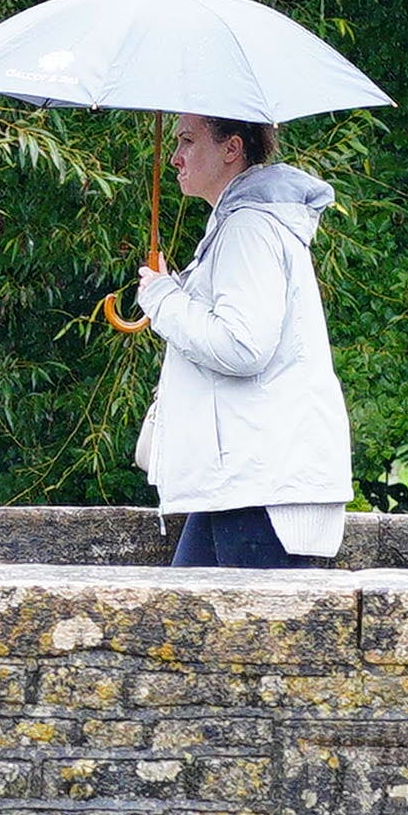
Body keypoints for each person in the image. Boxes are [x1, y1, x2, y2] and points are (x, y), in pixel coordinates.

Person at [132, 113, 349, 568]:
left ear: (231, 149)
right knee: (187, 625)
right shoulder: (238, 225)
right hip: (242, 480)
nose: (174, 157)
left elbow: (243, 346)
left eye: (188, 141)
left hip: (262, 486)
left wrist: (163, 299)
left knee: (239, 635)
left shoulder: (249, 228)